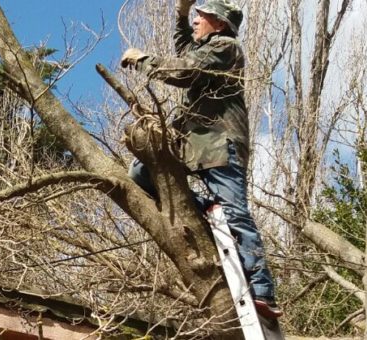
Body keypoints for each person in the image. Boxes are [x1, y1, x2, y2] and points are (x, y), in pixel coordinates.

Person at [120, 0, 282, 318]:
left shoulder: (225, 47)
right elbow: (186, 51)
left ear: (219, 24)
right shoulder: (209, 45)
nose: (196, 22)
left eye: (201, 17)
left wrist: (143, 60)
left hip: (220, 144)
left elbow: (185, 70)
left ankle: (263, 289)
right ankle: (205, 212)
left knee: (235, 213)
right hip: (193, 144)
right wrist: (181, 15)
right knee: (141, 174)